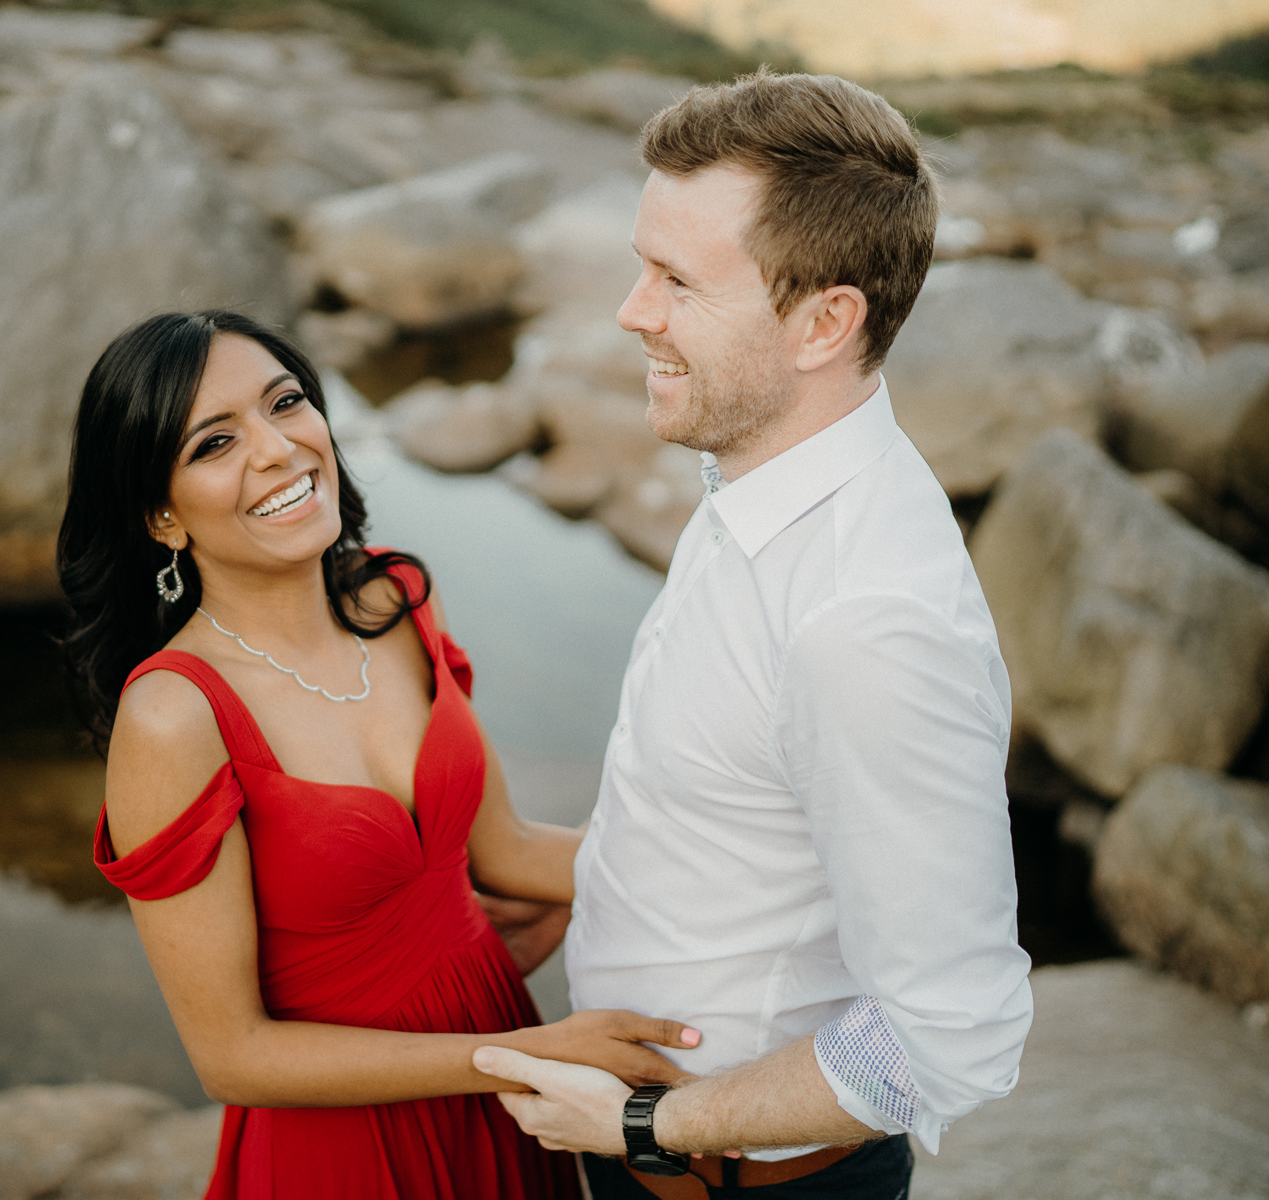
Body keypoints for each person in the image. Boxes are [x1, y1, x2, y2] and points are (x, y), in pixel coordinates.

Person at [472, 71, 1034, 1200]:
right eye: (642, 266)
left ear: (826, 322)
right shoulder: (764, 461)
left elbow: (950, 1036)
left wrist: (648, 1125)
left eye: (677, 280)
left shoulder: (865, 627)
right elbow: (751, 793)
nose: (633, 311)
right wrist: (605, 874)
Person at [56, 309, 700, 1200]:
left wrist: (737, 871)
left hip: (503, 1095)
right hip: (353, 1147)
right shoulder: (175, 715)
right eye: (214, 443)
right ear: (161, 515)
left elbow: (503, 852)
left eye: (286, 402)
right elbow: (232, 1057)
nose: (279, 449)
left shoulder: (394, 598)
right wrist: (527, 1053)